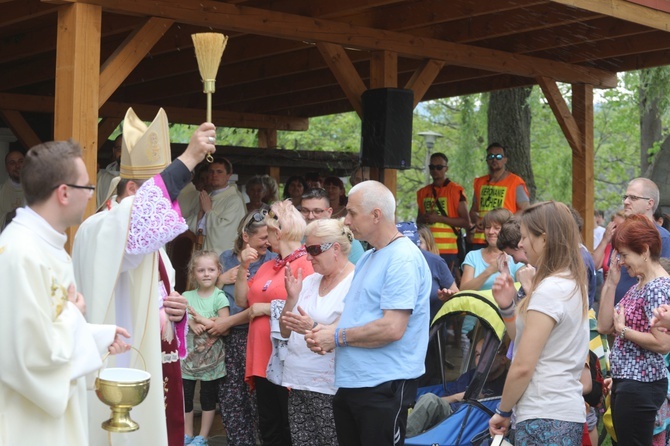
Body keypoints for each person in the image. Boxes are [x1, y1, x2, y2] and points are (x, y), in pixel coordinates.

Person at [73, 107, 214, 446]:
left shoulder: (149, 241)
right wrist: (189, 159)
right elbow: (135, 224)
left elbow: (156, 293)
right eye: (161, 195)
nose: (166, 207)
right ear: (133, 189)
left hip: (155, 357)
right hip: (121, 359)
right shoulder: (100, 228)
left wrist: (175, 309)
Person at [0, 140, 129, 445]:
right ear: (64, 192)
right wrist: (75, 314)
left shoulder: (46, 245)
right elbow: (26, 356)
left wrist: (97, 336)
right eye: (87, 186)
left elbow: (44, 325)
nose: (90, 196)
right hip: (29, 423)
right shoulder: (20, 253)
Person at [305, 180, 431, 446]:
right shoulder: (368, 257)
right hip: (354, 384)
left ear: (376, 215)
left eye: (351, 212)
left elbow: (392, 328)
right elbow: (355, 316)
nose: (346, 220)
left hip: (383, 387)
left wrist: (336, 337)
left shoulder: (403, 258)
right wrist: (323, 332)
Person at [489, 201, 589, 444]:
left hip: (544, 415)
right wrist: (507, 307)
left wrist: (503, 410)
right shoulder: (571, 283)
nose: (520, 244)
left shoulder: (550, 289)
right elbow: (526, 341)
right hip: (563, 413)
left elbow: (523, 364)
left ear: (544, 239)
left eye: (524, 237)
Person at [235, 200, 314, 446]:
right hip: (262, 358)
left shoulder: (307, 263)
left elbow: (307, 307)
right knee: (269, 427)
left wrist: (265, 309)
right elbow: (242, 300)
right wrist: (243, 267)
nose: (266, 240)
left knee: (290, 426)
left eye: (268, 232)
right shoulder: (268, 265)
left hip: (288, 358)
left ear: (278, 233)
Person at [280, 218, 355, 446]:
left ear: (335, 249)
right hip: (297, 381)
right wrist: (291, 298)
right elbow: (284, 331)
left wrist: (310, 327)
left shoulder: (355, 282)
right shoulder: (310, 281)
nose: (308, 257)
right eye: (305, 248)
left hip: (330, 387)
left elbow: (348, 334)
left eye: (313, 249)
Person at [597, 214, 670, 445]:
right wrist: (611, 282)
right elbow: (603, 325)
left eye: (625, 254)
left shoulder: (657, 287)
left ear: (645, 250)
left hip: (641, 384)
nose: (621, 260)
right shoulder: (641, 284)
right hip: (628, 383)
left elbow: (663, 344)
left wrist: (624, 331)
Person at [213, 210, 277, 446]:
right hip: (228, 338)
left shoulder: (273, 261)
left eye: (269, 237)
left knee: (258, 401)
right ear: (246, 237)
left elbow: (254, 306)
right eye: (262, 237)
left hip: (257, 337)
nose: (267, 242)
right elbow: (209, 297)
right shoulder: (226, 258)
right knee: (231, 399)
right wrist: (220, 280)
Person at [407, 339, 509, 437]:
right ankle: (401, 438)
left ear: (503, 359)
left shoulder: (508, 383)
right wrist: (457, 397)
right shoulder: (468, 376)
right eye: (477, 355)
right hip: (451, 418)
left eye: (486, 355)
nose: (480, 359)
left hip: (476, 426)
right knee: (428, 399)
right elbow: (440, 401)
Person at [182, 251, 230, 446]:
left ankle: (202, 436)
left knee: (207, 397)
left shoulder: (220, 297)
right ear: (193, 273)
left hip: (211, 358)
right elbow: (179, 323)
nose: (206, 274)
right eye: (201, 270)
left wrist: (205, 322)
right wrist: (191, 325)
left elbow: (225, 326)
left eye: (211, 269)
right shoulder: (186, 296)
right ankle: (187, 433)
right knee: (186, 396)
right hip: (189, 359)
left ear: (219, 271)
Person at [612, 178, 670, 304]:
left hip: (644, 314)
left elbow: (663, 281)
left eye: (633, 197)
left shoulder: (662, 238)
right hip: (616, 312)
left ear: (650, 203)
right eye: (625, 197)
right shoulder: (622, 235)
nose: (626, 202)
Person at [416, 152, 469, 274]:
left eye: (439, 167)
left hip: (449, 250)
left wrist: (438, 218)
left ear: (446, 169)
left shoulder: (456, 191)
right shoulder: (423, 192)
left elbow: (466, 222)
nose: (435, 170)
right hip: (427, 247)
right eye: (432, 167)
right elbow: (418, 221)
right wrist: (425, 218)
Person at [469, 143, 530, 249]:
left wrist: (505, 223)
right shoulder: (480, 182)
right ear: (487, 160)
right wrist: (477, 219)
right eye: (491, 156)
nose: (494, 159)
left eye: (498, 156)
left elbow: (525, 209)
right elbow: (473, 211)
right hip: (481, 239)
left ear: (505, 160)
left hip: (504, 239)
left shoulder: (515, 182)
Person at [193, 157, 246, 255]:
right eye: (211, 172)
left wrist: (208, 211)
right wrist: (201, 213)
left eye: (219, 172)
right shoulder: (207, 197)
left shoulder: (234, 200)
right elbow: (196, 227)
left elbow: (225, 232)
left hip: (223, 257)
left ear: (228, 175)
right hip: (203, 253)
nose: (214, 175)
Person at [299, 186, 365, 264]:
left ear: (329, 212)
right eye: (305, 210)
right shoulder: (294, 237)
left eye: (317, 211)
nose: (310, 216)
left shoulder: (345, 237)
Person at [0, 149, 24, 230]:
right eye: (12, 163)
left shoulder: (40, 190)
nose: (17, 166)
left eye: (21, 161)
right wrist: (8, 217)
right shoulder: (1, 191)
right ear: (6, 168)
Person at [96, 134, 122, 208]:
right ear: (114, 151)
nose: (124, 153)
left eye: (128, 149)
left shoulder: (141, 179)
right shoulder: (103, 177)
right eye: (120, 149)